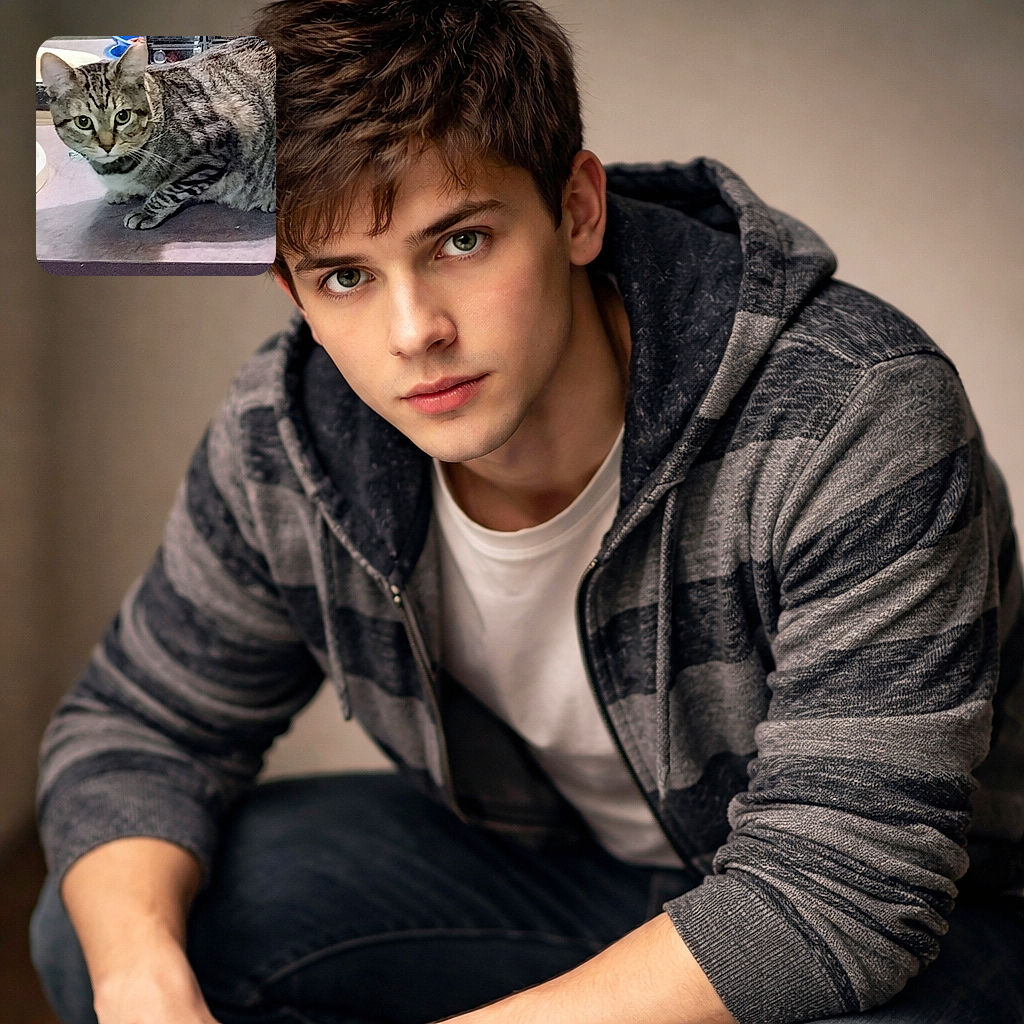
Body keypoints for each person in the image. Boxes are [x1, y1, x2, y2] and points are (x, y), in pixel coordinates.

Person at [30, 2, 1024, 1022]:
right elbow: (139, 728)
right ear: (294, 292)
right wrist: (141, 983)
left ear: (577, 209)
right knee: (110, 922)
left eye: (461, 240)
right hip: (572, 876)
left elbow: (843, 892)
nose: (414, 331)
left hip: (929, 924)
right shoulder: (284, 437)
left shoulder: (849, 409)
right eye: (346, 276)